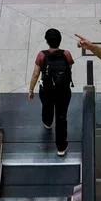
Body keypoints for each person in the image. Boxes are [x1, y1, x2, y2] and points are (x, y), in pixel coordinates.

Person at [28, 28, 75, 156]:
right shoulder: (67, 54)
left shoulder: (42, 55)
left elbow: (35, 74)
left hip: (47, 90)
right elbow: (69, 68)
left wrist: (31, 90)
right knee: (61, 117)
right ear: (60, 40)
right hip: (63, 92)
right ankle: (61, 147)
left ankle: (47, 122)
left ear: (47, 41)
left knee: (47, 106)